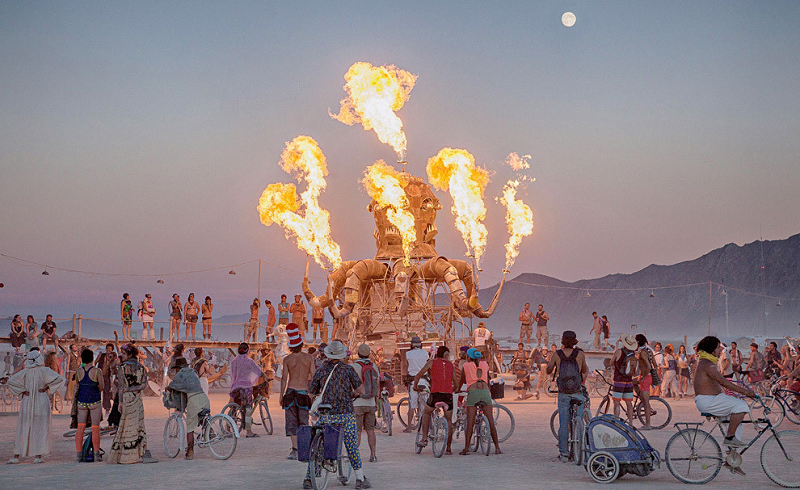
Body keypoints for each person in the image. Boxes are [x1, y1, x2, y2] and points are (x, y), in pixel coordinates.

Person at [304, 340, 370, 490]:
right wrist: (351, 394)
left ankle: (309, 478)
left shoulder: (321, 370)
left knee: (319, 447)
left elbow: (312, 392)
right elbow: (362, 391)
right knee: (352, 445)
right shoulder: (348, 370)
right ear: (341, 355)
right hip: (345, 413)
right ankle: (360, 478)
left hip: (326, 414)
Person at [694, 336, 755, 466]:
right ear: (711, 349)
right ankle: (729, 438)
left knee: (738, 422)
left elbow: (719, 384)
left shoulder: (707, 362)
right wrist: (746, 392)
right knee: (742, 406)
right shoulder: (707, 364)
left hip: (714, 399)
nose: (719, 350)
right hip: (708, 401)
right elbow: (723, 382)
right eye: (717, 348)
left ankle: (731, 457)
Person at [6, 350, 65, 464]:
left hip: (27, 401)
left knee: (24, 426)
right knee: (40, 427)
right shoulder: (44, 370)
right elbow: (59, 378)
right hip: (41, 400)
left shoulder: (25, 372)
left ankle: (16, 455)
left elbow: (11, 381)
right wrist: (47, 387)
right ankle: (38, 455)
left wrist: (22, 390)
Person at [547, 331, 588, 461]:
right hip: (576, 392)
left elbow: (548, 370)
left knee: (563, 424)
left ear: (562, 341)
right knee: (579, 421)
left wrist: (553, 364)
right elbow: (584, 370)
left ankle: (564, 453)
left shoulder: (557, 355)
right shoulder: (580, 354)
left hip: (563, 393)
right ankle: (579, 450)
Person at [457, 347, 502, 455]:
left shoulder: (466, 365)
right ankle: (497, 447)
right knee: (491, 421)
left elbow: (461, 380)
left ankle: (467, 448)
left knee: (470, 421)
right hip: (485, 392)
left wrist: (457, 390)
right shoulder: (485, 364)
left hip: (473, 393)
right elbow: (487, 378)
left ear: (468, 357)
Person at [414, 345, 457, 455]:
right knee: (449, 421)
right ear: (445, 355)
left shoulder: (431, 362)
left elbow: (418, 375)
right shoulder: (451, 365)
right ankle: (448, 448)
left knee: (426, 412)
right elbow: (456, 383)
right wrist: (453, 389)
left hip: (435, 394)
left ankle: (424, 438)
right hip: (448, 395)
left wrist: (415, 386)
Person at [166, 357, 211, 460]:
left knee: (190, 428)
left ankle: (190, 452)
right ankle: (208, 433)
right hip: (203, 397)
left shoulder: (180, 374)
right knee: (203, 418)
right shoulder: (193, 372)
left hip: (193, 400)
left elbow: (172, 386)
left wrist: (165, 389)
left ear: (178, 368)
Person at [280, 324, 314, 459]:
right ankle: (305, 448)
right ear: (301, 345)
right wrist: (312, 393)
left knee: (291, 422)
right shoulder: (309, 358)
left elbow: (284, 379)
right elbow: (314, 376)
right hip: (303, 392)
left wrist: (281, 395)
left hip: (290, 392)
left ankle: (295, 449)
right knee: (304, 422)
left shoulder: (287, 359)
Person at [74, 348, 104, 462]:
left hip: (82, 402)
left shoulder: (79, 371)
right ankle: (96, 454)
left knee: (80, 427)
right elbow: (102, 386)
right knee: (95, 428)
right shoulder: (97, 371)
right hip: (94, 401)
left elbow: (78, 384)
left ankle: (79, 455)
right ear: (92, 358)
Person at [230, 342, 263, 438]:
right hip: (245, 389)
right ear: (247, 351)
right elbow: (258, 371)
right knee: (248, 409)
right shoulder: (249, 361)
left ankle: (228, 426)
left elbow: (232, 374)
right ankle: (248, 432)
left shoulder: (234, 361)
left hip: (235, 388)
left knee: (234, 407)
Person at [353, 344, 380, 462]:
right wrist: (376, 401)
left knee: (357, 430)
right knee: (370, 430)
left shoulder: (354, 366)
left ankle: (355, 456)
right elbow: (377, 384)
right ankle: (373, 454)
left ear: (358, 353)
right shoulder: (374, 366)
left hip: (357, 403)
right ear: (369, 354)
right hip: (370, 403)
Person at [401, 336, 429, 433]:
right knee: (426, 404)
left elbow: (405, 366)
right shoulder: (425, 353)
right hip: (424, 381)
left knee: (412, 405)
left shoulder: (408, 354)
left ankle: (409, 427)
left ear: (412, 344)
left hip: (413, 381)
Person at [611, 334, 639, 425]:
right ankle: (631, 423)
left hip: (619, 380)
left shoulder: (618, 351)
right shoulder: (633, 353)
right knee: (629, 403)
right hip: (629, 381)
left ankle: (616, 422)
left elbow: (612, 362)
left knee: (616, 403)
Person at [634, 334, 655, 429]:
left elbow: (649, 366)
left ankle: (648, 424)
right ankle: (641, 399)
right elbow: (655, 364)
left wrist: (644, 376)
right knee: (633, 382)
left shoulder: (642, 352)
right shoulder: (649, 351)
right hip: (646, 377)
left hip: (645, 378)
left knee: (646, 402)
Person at [98, 343, 116, 416]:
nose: (108, 350)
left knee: (107, 392)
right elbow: (95, 362)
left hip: (107, 377)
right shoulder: (102, 355)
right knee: (98, 392)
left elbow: (114, 366)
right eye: (107, 349)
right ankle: (97, 408)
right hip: (100, 376)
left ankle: (107, 408)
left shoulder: (113, 358)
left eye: (110, 349)